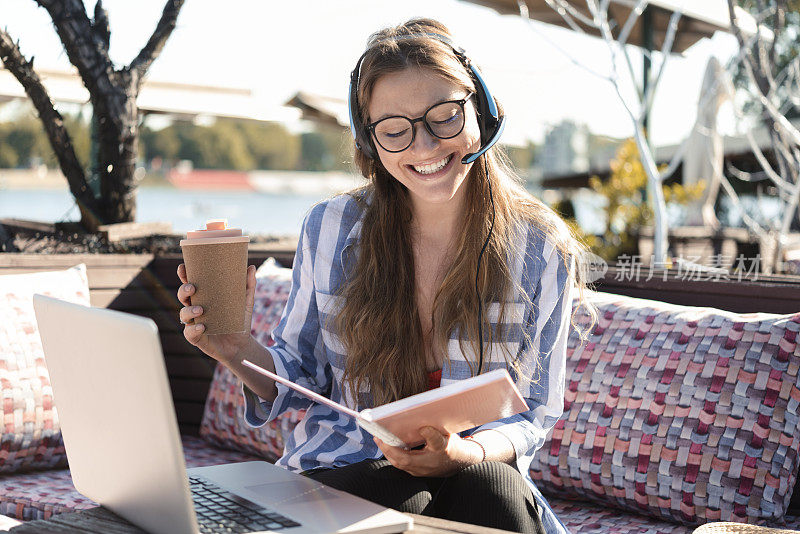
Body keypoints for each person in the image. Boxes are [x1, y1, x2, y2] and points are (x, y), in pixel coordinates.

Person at [177, 18, 590, 533]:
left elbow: (534, 414)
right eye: (395, 130)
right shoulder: (331, 228)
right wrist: (234, 348)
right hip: (346, 468)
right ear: (370, 143)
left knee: (494, 489)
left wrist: (465, 452)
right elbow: (298, 375)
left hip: (476, 474)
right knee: (402, 499)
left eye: (444, 117)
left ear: (481, 111)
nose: (424, 147)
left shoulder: (538, 246)